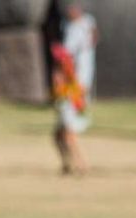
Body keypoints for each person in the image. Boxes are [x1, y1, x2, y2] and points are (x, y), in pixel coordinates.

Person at [52, 43, 90, 175]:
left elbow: (71, 90)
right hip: (64, 107)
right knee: (57, 136)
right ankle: (67, 164)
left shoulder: (65, 71)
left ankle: (81, 165)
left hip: (68, 108)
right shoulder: (64, 70)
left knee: (69, 137)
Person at [62, 2, 97, 101]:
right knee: (70, 78)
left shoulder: (87, 20)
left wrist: (89, 44)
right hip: (69, 56)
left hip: (84, 56)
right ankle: (70, 98)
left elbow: (94, 34)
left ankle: (83, 100)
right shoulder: (67, 24)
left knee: (84, 78)